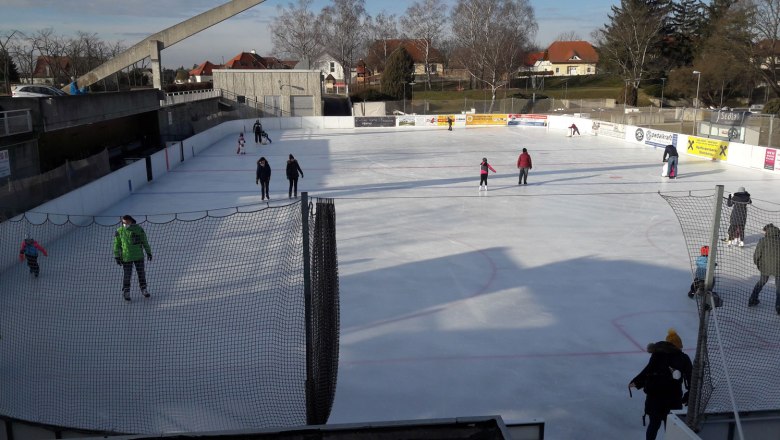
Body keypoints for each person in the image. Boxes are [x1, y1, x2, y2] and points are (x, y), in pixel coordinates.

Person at [629, 329, 692, 440]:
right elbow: (690, 377)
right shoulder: (683, 358)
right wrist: (689, 393)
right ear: (678, 345)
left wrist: (636, 382)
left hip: (655, 399)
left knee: (653, 424)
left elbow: (647, 371)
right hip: (674, 399)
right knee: (672, 428)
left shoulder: (657, 355)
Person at [113, 215, 152, 301]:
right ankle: (126, 291)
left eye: (126, 222)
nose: (125, 224)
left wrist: (148, 252)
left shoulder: (138, 229)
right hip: (126, 257)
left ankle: (144, 289)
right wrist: (117, 256)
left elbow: (144, 241)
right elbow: (116, 245)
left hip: (138, 256)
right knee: (127, 275)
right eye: (123, 222)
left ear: (131, 221)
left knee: (141, 273)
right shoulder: (119, 231)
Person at [747, 223, 780, 314]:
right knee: (779, 287)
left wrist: (758, 264)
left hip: (765, 266)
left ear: (767, 231)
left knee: (762, 281)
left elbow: (757, 255)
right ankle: (778, 306)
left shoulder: (763, 241)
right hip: (778, 267)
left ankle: (753, 299)